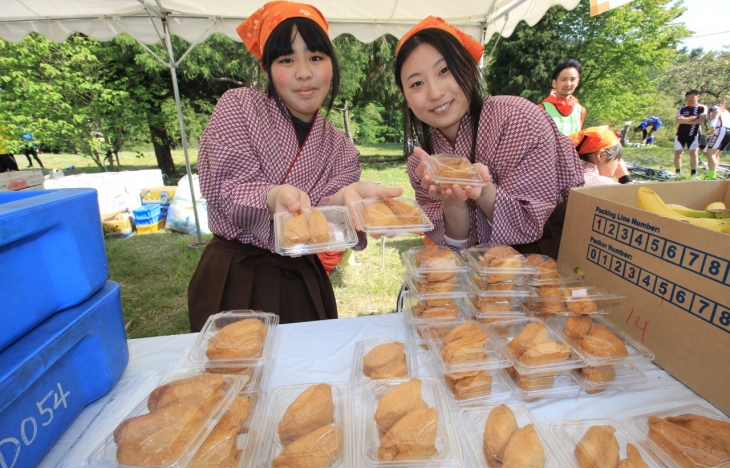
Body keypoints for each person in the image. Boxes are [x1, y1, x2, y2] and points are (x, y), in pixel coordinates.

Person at [187, 1, 402, 331]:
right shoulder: (238, 107)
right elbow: (227, 192)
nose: (304, 72)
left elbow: (328, 215)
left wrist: (345, 199)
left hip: (303, 277)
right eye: (287, 59)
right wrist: (274, 197)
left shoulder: (339, 146)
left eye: (316, 57)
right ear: (266, 69)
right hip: (236, 274)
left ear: (332, 63)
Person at [394, 17, 584, 260]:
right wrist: (452, 199)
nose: (435, 92)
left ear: (468, 69)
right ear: (406, 97)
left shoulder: (516, 118)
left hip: (555, 254)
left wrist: (481, 189)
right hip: (484, 273)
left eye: (445, 70)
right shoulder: (422, 162)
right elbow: (456, 243)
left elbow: (530, 224)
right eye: (416, 83)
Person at [538, 59, 586, 135]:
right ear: (554, 83)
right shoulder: (541, 109)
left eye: (572, 79)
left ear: (577, 82)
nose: (568, 84)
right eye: (564, 79)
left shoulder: (580, 111)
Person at [674, 90, 708, 178]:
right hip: (680, 134)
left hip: (694, 134)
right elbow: (678, 120)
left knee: (693, 154)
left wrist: (685, 120)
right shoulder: (683, 108)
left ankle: (693, 173)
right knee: (678, 153)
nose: (690, 99)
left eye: (692, 97)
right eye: (688, 98)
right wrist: (693, 118)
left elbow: (701, 120)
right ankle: (677, 173)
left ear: (698, 97)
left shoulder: (702, 107)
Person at [704, 103, 730, 180]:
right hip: (728, 131)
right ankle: (714, 172)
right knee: (716, 154)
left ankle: (712, 175)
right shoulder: (727, 112)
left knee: (710, 154)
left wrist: (712, 126)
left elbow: (717, 111)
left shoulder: (716, 108)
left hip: (721, 130)